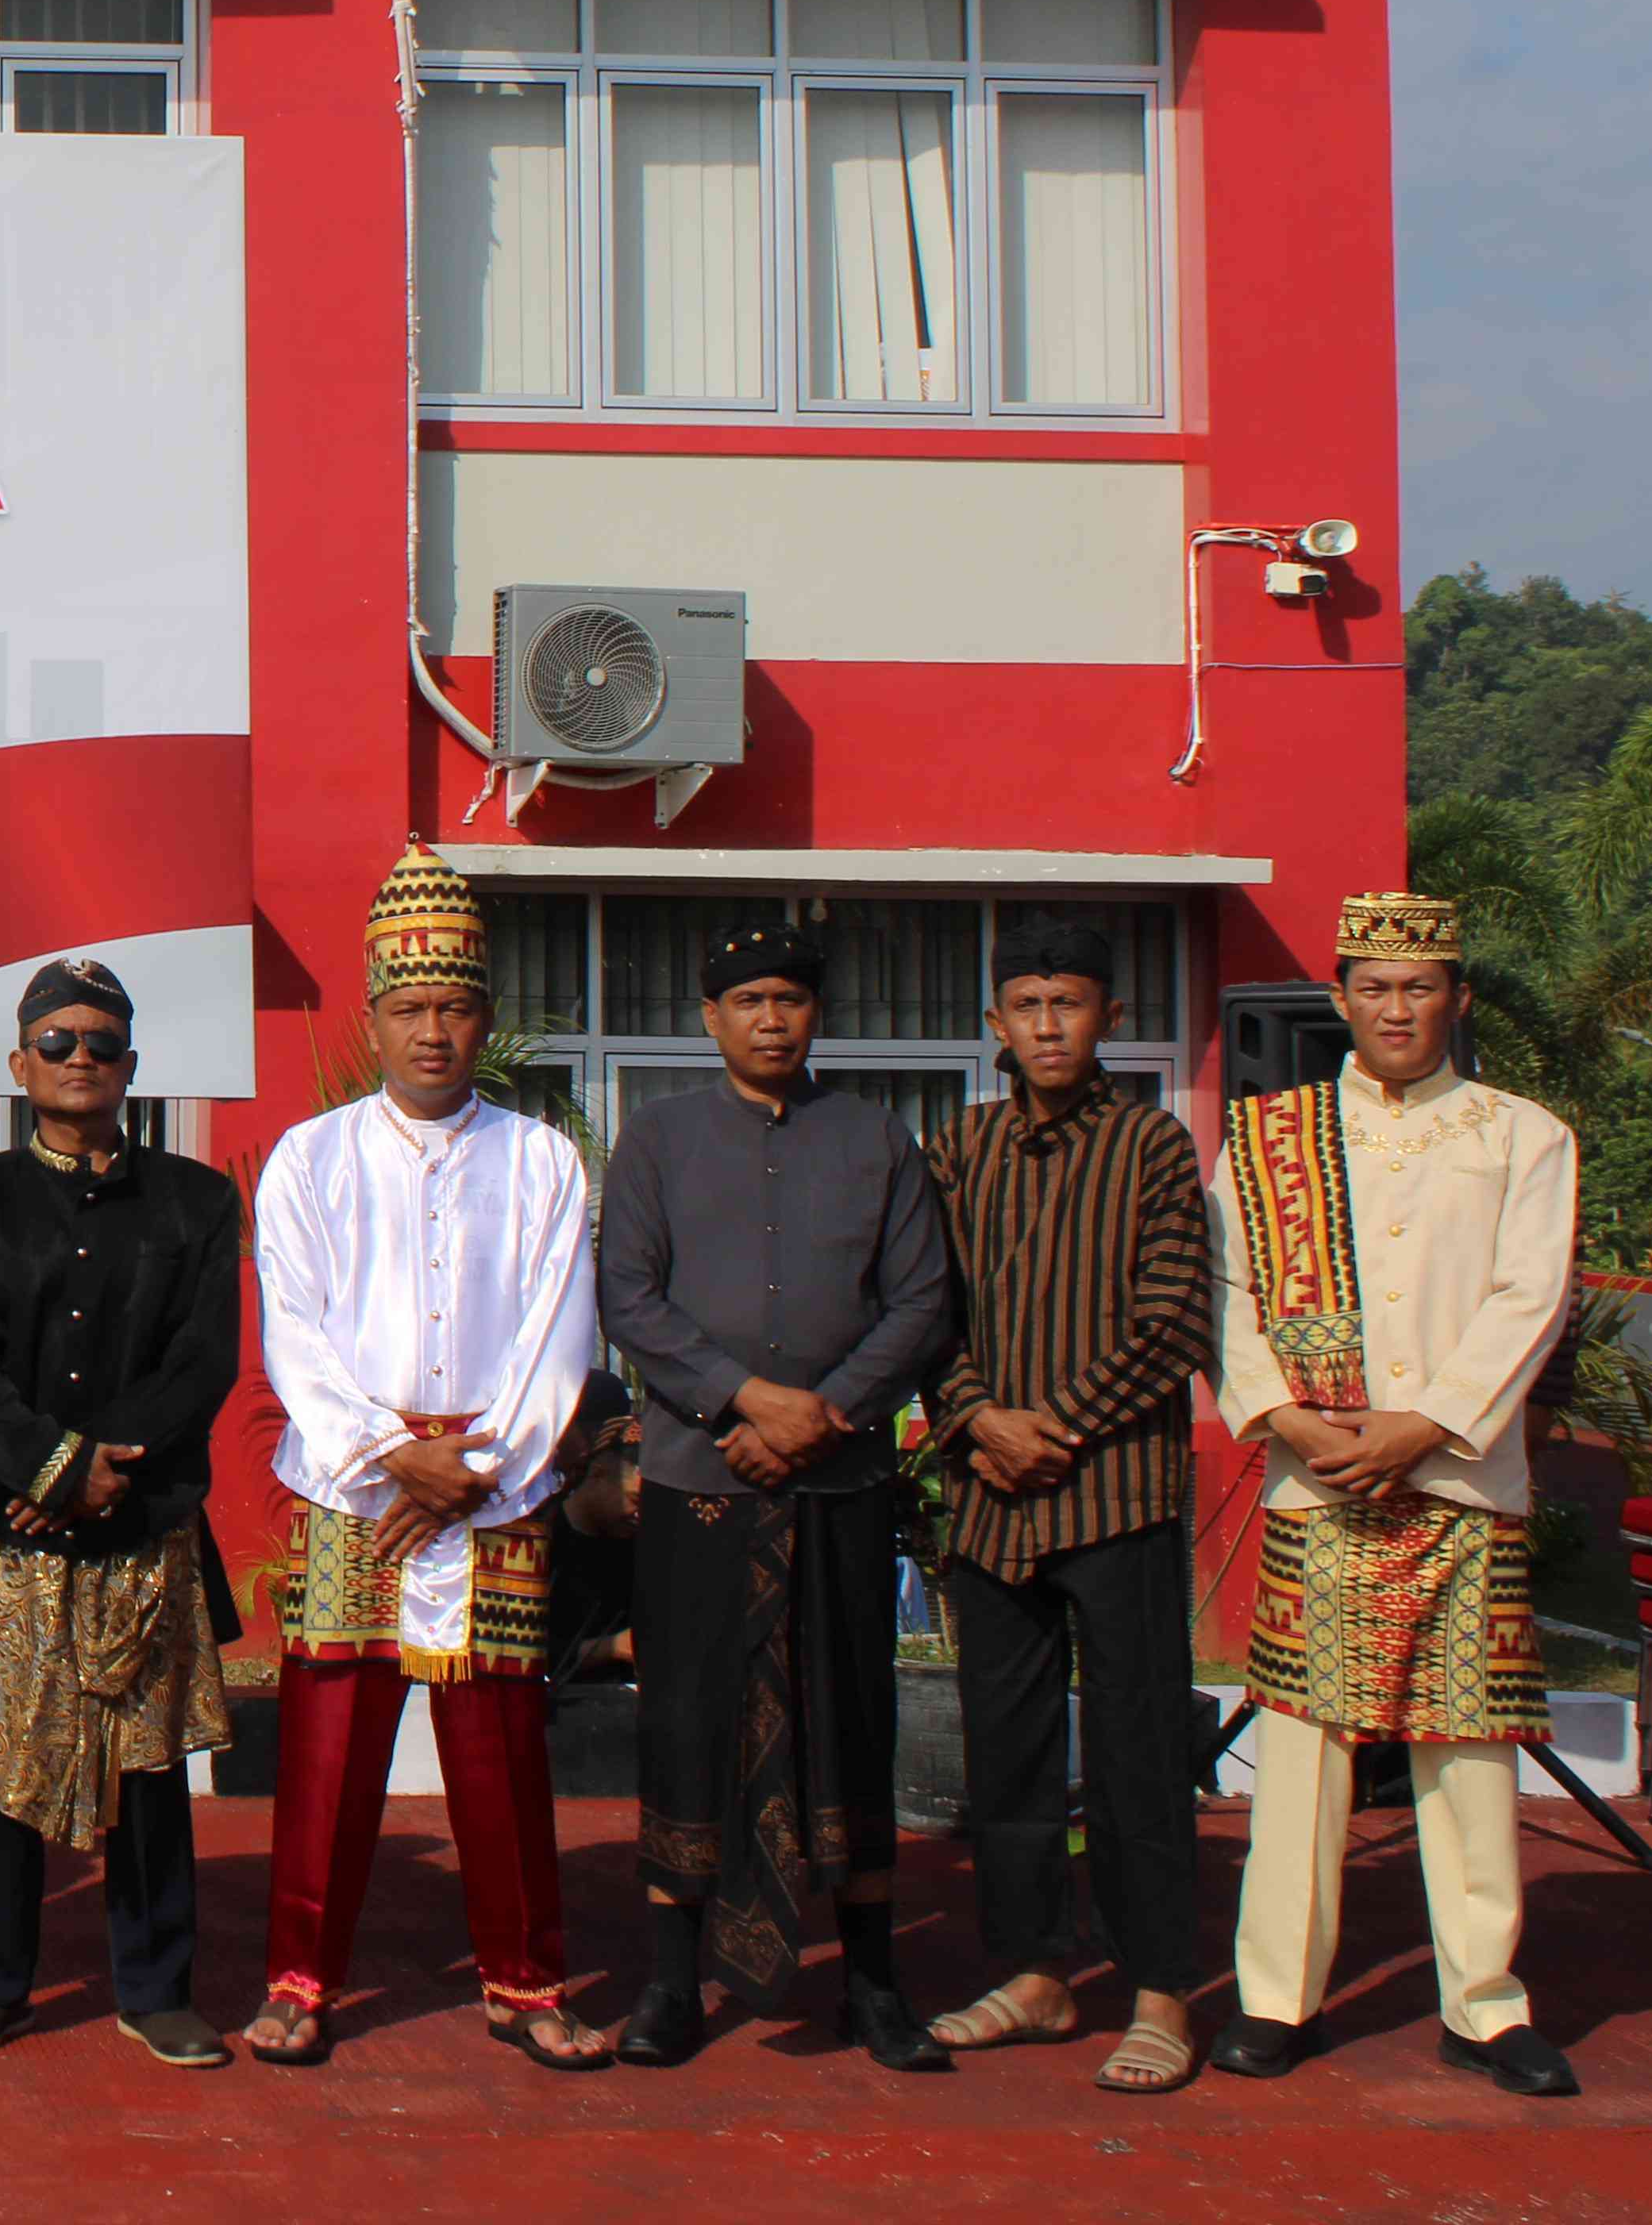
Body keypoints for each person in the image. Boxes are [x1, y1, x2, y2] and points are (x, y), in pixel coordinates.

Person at [1210, 891, 1583, 2099]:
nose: (1397, 1009)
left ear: (1456, 1000)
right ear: (1340, 1003)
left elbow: (1532, 1295)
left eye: (1419, 988)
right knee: (1303, 1745)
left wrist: (1427, 1425)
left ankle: (1484, 2002)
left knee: (1469, 1743)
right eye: (1373, 988)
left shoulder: (1525, 1134)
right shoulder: (1269, 1137)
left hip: (1464, 1476)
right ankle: (1277, 1995)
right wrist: (1294, 1421)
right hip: (1317, 1476)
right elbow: (1230, 1297)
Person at [242, 852, 605, 2073]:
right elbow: (293, 1329)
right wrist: (394, 1459)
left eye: (454, 1008)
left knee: (501, 1743)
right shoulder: (312, 1157)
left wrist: (478, 1470)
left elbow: (562, 1327)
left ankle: (526, 1978)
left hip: (499, 1488)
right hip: (355, 1491)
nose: (433, 1031)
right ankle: (300, 1979)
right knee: (330, 1742)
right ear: (376, 1016)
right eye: (409, 1010)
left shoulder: (545, 1159)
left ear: (485, 1018)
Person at [601, 918, 959, 2073]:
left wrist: (824, 1412)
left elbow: (920, 1303)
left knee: (848, 1720)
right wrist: (744, 1400)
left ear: (817, 1015)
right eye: (746, 1000)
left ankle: (872, 1984)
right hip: (699, 1481)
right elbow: (629, 1299)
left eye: (789, 1000)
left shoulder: (879, 1142)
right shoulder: (655, 1141)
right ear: (710, 1018)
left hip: (839, 1483)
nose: (770, 1019)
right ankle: (672, 1984)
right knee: (689, 1723)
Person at [0, 958, 240, 2065]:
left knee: (144, 1768)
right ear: (19, 1064)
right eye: (58, 1042)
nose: (80, 1058)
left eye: (101, 1042)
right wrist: (48, 1469)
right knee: (2, 1764)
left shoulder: (194, 1200)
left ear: (132, 1065)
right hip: (8, 1521)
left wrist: (103, 1474)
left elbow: (202, 1360)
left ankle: (158, 1985)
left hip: (138, 1522)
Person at [915, 920, 1215, 2092]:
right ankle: (1035, 1976)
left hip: (1116, 1493)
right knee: (1010, 1751)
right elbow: (922, 1307)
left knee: (1141, 1751)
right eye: (1027, 1005)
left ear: (1110, 1020)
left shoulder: (1152, 1146)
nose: (1048, 1026)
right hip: (990, 1496)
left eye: (1070, 1004)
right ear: (996, 1025)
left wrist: (1057, 1425)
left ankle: (1159, 1992)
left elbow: (1173, 1322)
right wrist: (983, 1417)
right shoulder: (959, 1149)